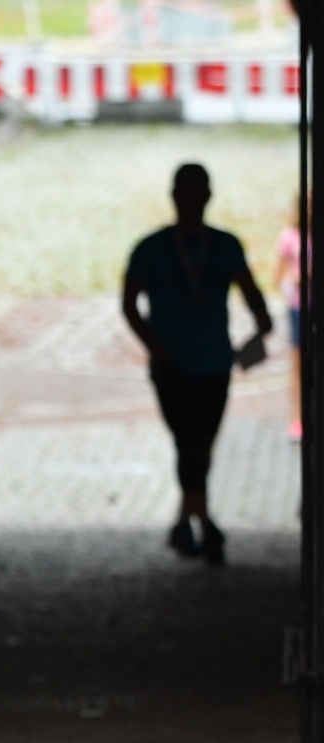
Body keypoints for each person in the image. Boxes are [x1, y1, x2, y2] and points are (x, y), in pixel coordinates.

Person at [123, 163, 272, 567]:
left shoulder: (215, 246)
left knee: (195, 444)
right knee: (193, 443)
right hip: (183, 364)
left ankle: (189, 521)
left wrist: (257, 331)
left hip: (205, 363)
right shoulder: (157, 248)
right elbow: (129, 304)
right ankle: (203, 524)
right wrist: (157, 348)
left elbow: (254, 299)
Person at [273, 194, 304, 442]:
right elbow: (278, 278)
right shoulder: (289, 237)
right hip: (300, 308)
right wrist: (296, 279)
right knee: (298, 366)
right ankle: (298, 418)